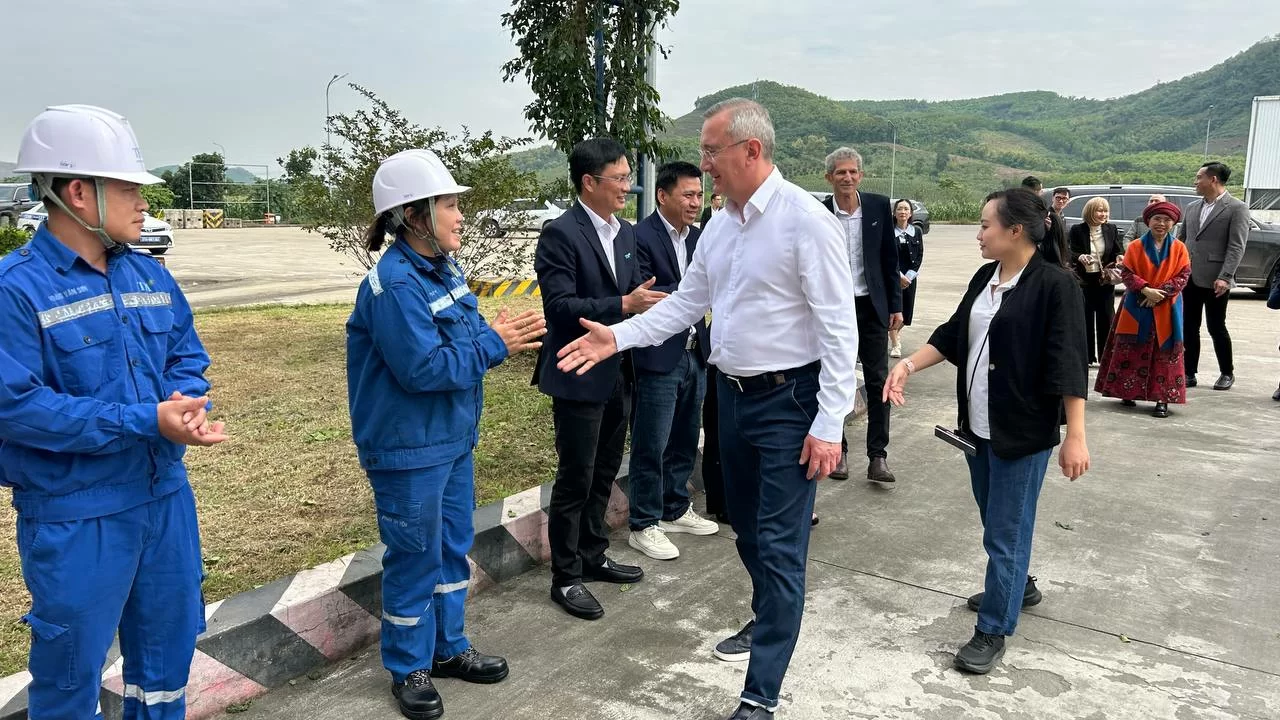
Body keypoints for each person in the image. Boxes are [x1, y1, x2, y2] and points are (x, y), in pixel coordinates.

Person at [553, 98, 859, 720]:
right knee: (744, 527)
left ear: (751, 150)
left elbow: (838, 330)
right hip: (731, 398)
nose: (705, 164)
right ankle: (768, 612)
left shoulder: (805, 221)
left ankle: (759, 693)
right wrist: (619, 336)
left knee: (779, 544)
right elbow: (684, 305)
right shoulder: (721, 225)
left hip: (790, 401)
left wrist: (829, 425)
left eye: (711, 152)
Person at [1, 104, 228, 719]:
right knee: (69, 678)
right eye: (129, 188)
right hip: (77, 513)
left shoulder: (148, 276)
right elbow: (16, 407)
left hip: (163, 498)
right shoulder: (14, 289)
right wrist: (143, 420)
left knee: (166, 663)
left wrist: (184, 400)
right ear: (78, 192)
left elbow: (186, 354)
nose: (143, 202)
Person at [347, 149, 546, 720]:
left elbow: (467, 335)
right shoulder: (395, 285)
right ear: (414, 215)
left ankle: (448, 647)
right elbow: (424, 368)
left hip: (451, 440)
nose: (461, 216)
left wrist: (491, 334)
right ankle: (408, 666)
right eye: (451, 204)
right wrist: (495, 343)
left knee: (452, 547)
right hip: (409, 449)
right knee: (414, 556)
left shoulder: (443, 269)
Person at [884, 187, 1090, 675]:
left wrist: (1076, 434)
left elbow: (1069, 363)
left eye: (984, 225)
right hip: (978, 427)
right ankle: (1020, 585)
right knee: (996, 521)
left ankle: (994, 629)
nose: (978, 234)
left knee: (1005, 532)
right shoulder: (986, 277)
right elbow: (953, 334)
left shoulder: (1056, 285)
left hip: (1023, 431)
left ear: (1015, 231)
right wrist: (907, 365)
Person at [533, 137, 667, 621]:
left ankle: (593, 553)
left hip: (618, 372)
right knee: (576, 475)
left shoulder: (625, 234)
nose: (628, 187)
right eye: (620, 178)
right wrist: (623, 304)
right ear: (589, 182)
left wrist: (639, 303)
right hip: (578, 372)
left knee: (605, 470)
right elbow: (559, 307)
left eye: (629, 177)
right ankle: (565, 576)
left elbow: (632, 293)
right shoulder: (560, 234)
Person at [626, 161, 718, 561]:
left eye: (699, 195)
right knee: (652, 441)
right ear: (662, 195)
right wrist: (693, 292)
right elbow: (648, 294)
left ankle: (675, 507)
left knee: (685, 436)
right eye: (688, 195)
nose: (695, 202)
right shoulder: (638, 236)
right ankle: (643, 522)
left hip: (695, 350)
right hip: (658, 353)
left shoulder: (699, 238)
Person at [820, 147, 901, 484]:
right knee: (835, 379)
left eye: (853, 171)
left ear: (861, 175)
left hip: (871, 305)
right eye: (841, 172)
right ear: (829, 177)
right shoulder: (819, 211)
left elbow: (890, 259)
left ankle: (878, 456)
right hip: (833, 309)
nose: (848, 177)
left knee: (878, 380)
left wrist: (896, 305)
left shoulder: (878, 206)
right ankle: (838, 452)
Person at [1096, 201, 1190, 418]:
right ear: (1148, 221)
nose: (1161, 223)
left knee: (1164, 351)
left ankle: (1161, 399)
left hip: (1167, 305)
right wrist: (1146, 290)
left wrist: (1159, 294)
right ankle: (1127, 392)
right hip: (1137, 304)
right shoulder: (1136, 246)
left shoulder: (1179, 248)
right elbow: (1127, 273)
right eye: (1157, 219)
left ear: (1173, 223)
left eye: (1167, 220)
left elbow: (1183, 275)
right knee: (1131, 348)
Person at [1179, 161, 1249, 391]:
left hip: (1216, 279)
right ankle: (1189, 372)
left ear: (1213, 179)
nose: (1195, 182)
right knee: (1189, 326)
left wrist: (1226, 276)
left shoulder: (1236, 208)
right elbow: (1181, 241)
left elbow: (1236, 246)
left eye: (1199, 177)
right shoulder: (1192, 207)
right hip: (1189, 277)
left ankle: (1227, 372)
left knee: (1216, 326)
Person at [1067, 197, 1122, 365]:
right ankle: (1088, 356)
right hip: (1084, 281)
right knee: (1085, 318)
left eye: (1105, 211)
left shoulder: (1111, 228)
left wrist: (1119, 257)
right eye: (1099, 210)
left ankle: (1106, 356)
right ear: (1090, 211)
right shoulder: (1077, 229)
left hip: (1104, 280)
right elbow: (1070, 252)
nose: (1103, 214)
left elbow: (1116, 250)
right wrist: (1080, 257)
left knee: (1106, 317)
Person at [890, 198, 924, 358]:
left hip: (910, 279)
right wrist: (898, 276)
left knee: (907, 314)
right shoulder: (889, 232)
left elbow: (919, 256)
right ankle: (895, 344)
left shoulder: (916, 231)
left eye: (906, 209)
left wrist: (908, 277)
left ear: (910, 213)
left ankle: (894, 334)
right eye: (899, 209)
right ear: (894, 213)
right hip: (893, 277)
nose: (902, 212)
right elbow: (887, 256)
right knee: (893, 311)